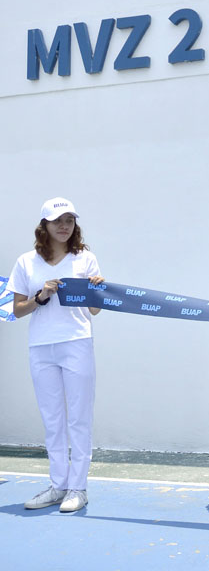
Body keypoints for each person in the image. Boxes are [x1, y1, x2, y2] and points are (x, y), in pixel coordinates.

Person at [9, 197, 104, 513]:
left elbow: (94, 309)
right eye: (57, 221)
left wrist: (96, 289)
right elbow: (18, 310)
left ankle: (78, 487)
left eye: (70, 220)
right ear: (45, 226)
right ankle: (58, 485)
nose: (64, 226)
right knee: (52, 419)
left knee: (78, 417)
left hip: (76, 342)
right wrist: (42, 295)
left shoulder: (85, 259)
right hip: (41, 346)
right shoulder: (26, 262)